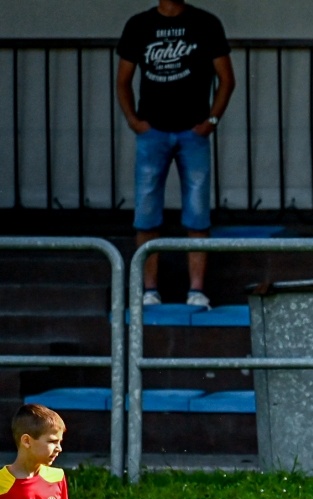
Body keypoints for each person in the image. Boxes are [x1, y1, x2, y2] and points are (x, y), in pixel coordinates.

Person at [116, 0, 234, 310]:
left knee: (197, 213)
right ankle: (149, 290)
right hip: (152, 131)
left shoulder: (206, 23)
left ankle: (196, 290)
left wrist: (212, 120)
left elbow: (227, 79)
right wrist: (133, 120)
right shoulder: (138, 25)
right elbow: (123, 80)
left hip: (192, 131)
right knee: (146, 213)